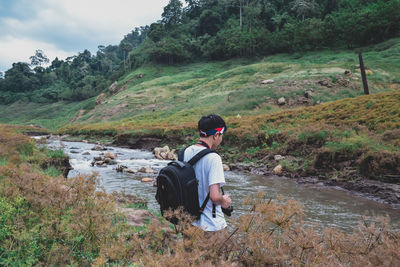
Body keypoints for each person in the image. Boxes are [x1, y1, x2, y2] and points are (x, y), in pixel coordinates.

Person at [183, 114, 232, 232]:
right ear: (216, 135)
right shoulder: (213, 158)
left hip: (189, 224)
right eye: (221, 135)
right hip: (212, 226)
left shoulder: (186, 152)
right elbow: (215, 197)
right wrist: (224, 201)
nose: (221, 139)